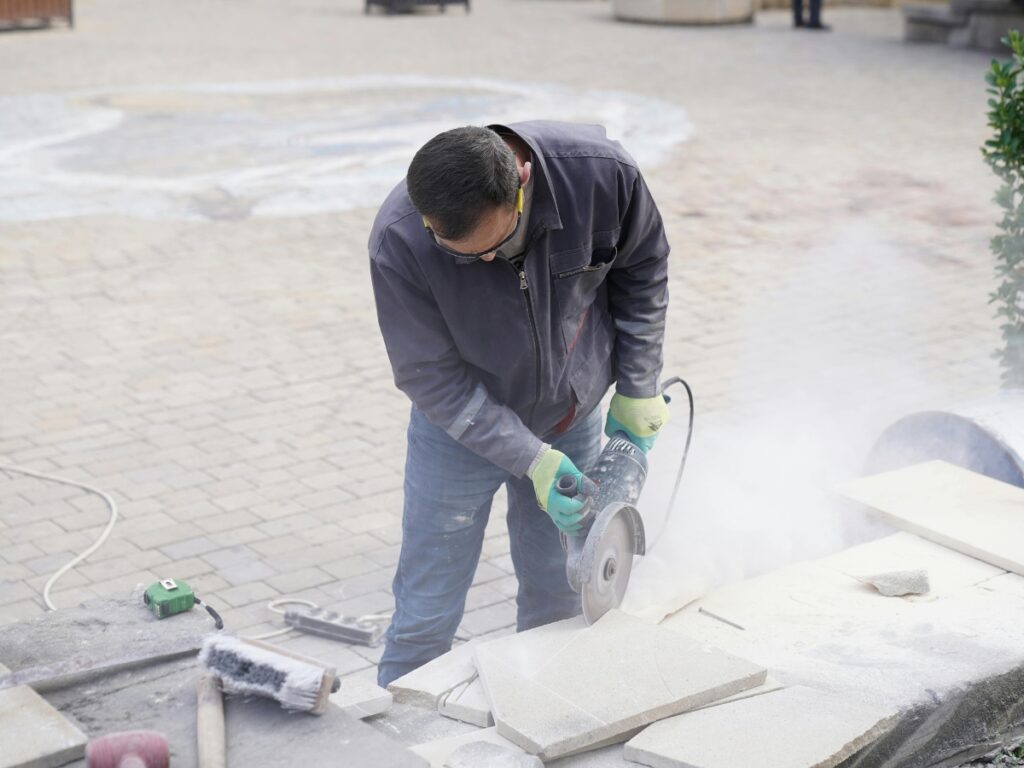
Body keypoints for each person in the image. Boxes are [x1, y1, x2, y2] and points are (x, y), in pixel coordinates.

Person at [368, 121, 671, 687]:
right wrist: (531, 459)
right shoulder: (401, 239)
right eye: (459, 254)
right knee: (426, 610)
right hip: (460, 431)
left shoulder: (602, 178)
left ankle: (545, 715)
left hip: (570, 416)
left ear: (522, 183)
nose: (483, 262)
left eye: (493, 247)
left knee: (559, 593)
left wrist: (638, 382)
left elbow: (644, 270)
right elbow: (428, 375)